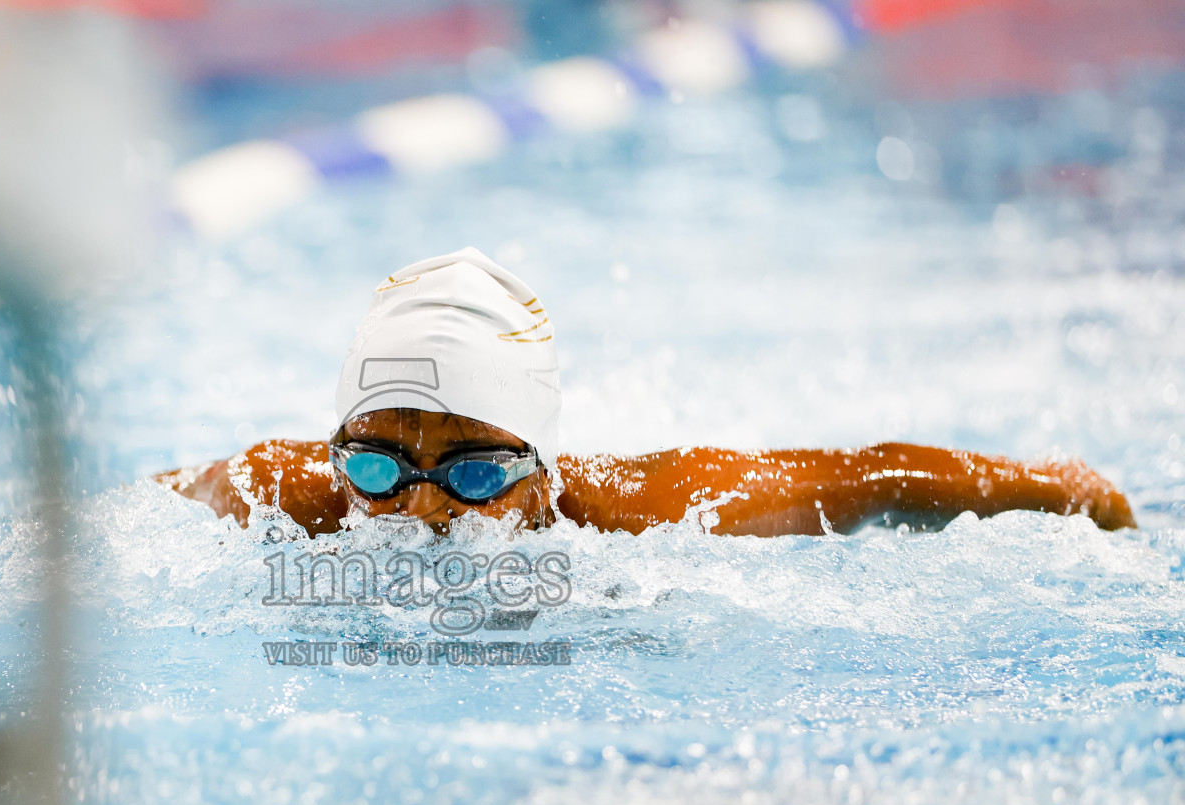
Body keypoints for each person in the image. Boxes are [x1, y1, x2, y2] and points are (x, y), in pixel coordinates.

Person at [156, 248, 1134, 538]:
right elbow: (109, 529)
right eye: (377, 462)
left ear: (537, 471)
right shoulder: (287, 495)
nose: (417, 508)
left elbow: (857, 478)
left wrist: (1045, 486)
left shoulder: (631, 510)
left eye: (474, 474)